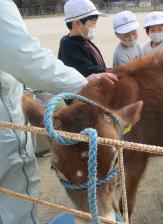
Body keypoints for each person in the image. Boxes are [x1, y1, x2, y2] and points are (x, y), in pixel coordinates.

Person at [0, 1, 117, 224]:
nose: (94, 25)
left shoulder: (84, 42)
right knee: (16, 192)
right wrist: (83, 83)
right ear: (77, 22)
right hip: (12, 123)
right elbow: (26, 59)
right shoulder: (71, 45)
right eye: (91, 21)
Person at [58, 0, 107, 77]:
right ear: (77, 23)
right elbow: (90, 72)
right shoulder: (69, 48)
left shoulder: (83, 39)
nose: (95, 27)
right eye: (93, 23)